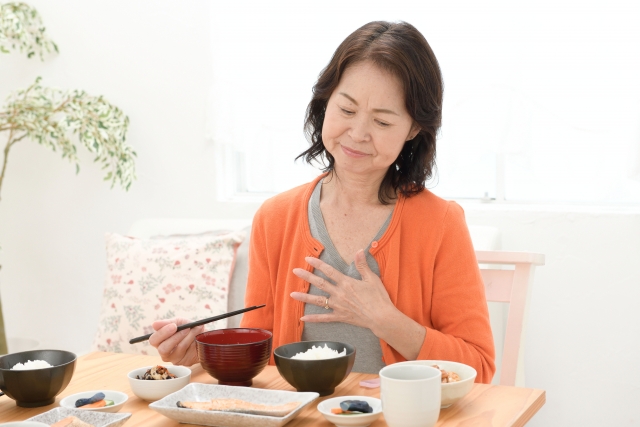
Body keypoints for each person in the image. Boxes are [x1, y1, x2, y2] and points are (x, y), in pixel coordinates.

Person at [150, 21, 495, 383]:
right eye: (346, 110)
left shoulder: (440, 223)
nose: (358, 134)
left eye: (381, 120)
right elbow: (261, 361)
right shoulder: (275, 218)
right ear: (325, 102)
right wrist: (200, 355)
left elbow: (479, 368)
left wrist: (386, 320)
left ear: (412, 130)